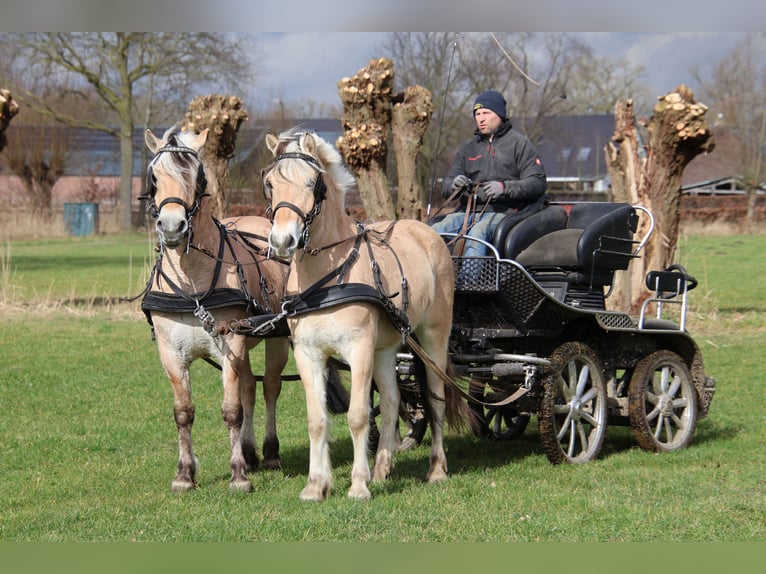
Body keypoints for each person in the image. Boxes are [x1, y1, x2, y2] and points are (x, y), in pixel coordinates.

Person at [431, 90, 547, 258]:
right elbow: (446, 185)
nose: (481, 118)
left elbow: (538, 183)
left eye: (486, 113)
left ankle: (470, 283)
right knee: (434, 232)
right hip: (467, 212)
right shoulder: (468, 148)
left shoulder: (520, 144)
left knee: (478, 233)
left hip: (505, 213)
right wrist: (454, 184)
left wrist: (504, 187)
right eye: (477, 114)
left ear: (500, 115)